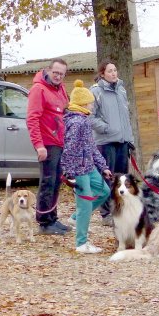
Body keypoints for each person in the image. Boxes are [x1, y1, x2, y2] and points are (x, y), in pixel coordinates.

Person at [61, 80, 111, 253]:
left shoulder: (84, 119)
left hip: (90, 168)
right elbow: (69, 148)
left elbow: (91, 147)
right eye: (89, 101)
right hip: (79, 170)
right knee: (85, 205)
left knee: (104, 191)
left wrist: (103, 166)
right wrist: (70, 173)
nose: (91, 104)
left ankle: (76, 219)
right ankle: (81, 244)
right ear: (82, 103)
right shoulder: (77, 122)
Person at [26, 58, 73, 235]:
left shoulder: (60, 89)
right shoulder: (38, 90)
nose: (58, 76)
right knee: (47, 181)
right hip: (47, 142)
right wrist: (39, 145)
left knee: (55, 182)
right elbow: (32, 119)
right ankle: (44, 221)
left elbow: (65, 111)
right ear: (48, 70)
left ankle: (52, 217)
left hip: (59, 142)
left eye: (61, 74)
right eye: (56, 73)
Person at [89, 60, 134, 226]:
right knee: (107, 178)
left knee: (121, 179)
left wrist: (130, 139)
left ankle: (120, 210)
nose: (114, 73)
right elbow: (90, 117)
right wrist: (106, 128)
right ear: (102, 74)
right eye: (110, 71)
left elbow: (126, 118)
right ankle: (106, 213)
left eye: (115, 70)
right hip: (106, 141)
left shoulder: (121, 90)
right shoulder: (95, 91)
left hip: (122, 141)